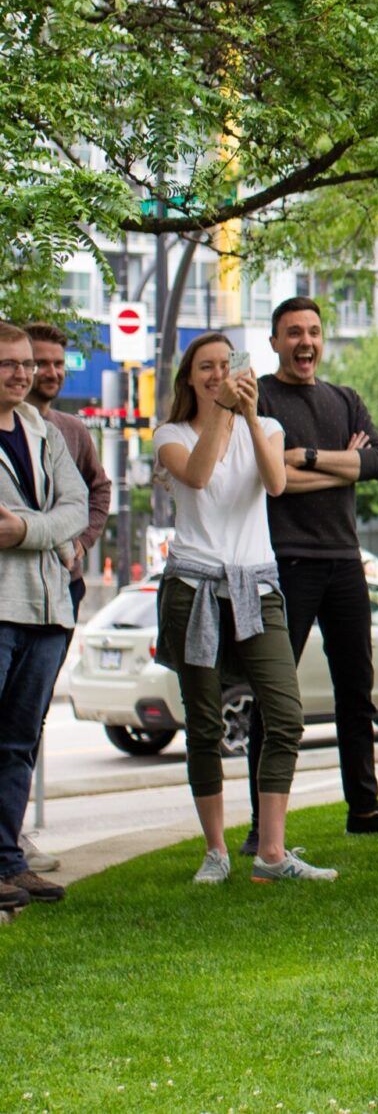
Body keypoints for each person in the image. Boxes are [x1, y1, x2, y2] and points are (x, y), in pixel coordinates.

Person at [242, 297, 378, 851]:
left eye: (314, 332)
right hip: (284, 562)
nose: (305, 342)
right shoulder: (262, 400)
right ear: (274, 342)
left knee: (357, 689)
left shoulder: (345, 399)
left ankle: (364, 807)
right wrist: (335, 469)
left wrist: (304, 458)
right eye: (293, 332)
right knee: (274, 696)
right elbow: (264, 478)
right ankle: (260, 826)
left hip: (344, 562)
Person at [154, 333, 332, 884]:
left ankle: (271, 854)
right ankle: (216, 851)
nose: (217, 374)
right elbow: (200, 475)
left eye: (225, 365)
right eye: (205, 367)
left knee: (286, 715)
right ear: (189, 378)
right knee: (204, 724)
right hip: (194, 586)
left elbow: (276, 484)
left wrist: (251, 417)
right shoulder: (171, 435)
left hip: (256, 586)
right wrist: (225, 414)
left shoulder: (270, 428)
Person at [0, 320, 87, 911]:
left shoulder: (42, 430)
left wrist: (29, 528)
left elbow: (77, 507)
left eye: (27, 363)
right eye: (9, 364)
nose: (23, 374)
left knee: (18, 744)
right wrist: (50, 532)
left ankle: (9, 862)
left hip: (48, 609)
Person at [23, 323, 111, 876]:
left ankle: (13, 840)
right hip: (13, 590)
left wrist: (79, 544)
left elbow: (97, 491)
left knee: (28, 720)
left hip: (59, 592)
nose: (50, 373)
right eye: (39, 363)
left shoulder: (72, 431)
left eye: (58, 363)